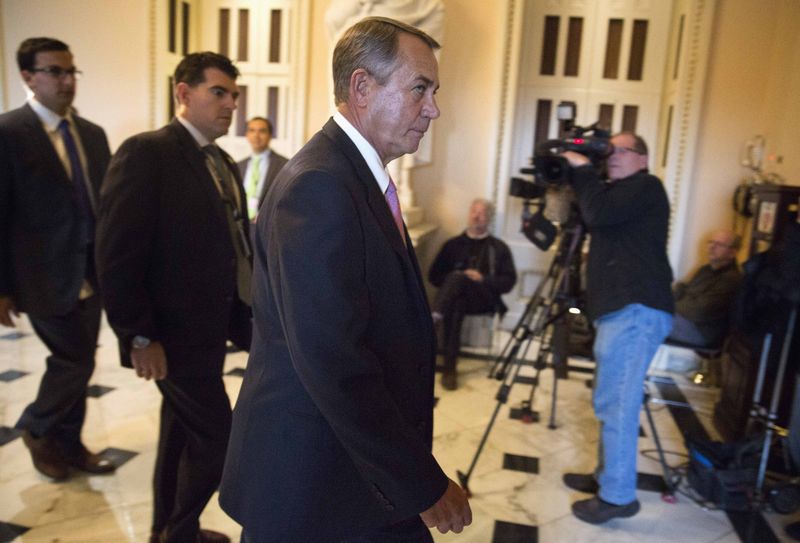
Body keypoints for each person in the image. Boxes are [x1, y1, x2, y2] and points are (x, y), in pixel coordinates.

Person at [219, 16, 472, 542]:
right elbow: (335, 362)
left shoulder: (352, 177)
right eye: (419, 89)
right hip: (312, 479)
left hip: (348, 471)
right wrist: (422, 485)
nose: (433, 108)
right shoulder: (320, 186)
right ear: (362, 87)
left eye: (434, 91)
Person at [95, 52, 252, 543]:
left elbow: (231, 245)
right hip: (171, 334)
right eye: (218, 93)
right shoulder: (147, 152)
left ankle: (166, 529)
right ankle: (178, 531)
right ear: (184, 93)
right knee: (219, 437)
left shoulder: (223, 161)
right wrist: (139, 333)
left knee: (180, 433)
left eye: (234, 95)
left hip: (210, 330)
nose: (230, 105)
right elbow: (116, 253)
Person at [0, 37, 115, 481]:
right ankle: (36, 427)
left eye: (71, 71)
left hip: (92, 268)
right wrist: (3, 287)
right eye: (55, 72)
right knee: (74, 360)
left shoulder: (91, 133)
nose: (67, 81)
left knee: (82, 355)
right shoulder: (9, 132)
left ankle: (69, 445)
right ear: (28, 77)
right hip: (41, 274)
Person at [560, 132, 674, 524]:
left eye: (621, 151)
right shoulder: (619, 192)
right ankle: (606, 477)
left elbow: (598, 215)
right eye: (609, 151)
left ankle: (618, 495)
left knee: (618, 405)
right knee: (610, 399)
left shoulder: (646, 186)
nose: (612, 156)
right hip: (625, 311)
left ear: (643, 158)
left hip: (636, 310)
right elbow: (595, 212)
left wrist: (582, 171)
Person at [428, 198, 516, 390]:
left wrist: (482, 278)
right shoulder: (452, 245)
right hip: (455, 301)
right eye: (474, 211)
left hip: (483, 299)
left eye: (482, 213)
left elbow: (508, 282)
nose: (476, 216)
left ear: (489, 218)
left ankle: (434, 317)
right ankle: (449, 370)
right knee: (456, 299)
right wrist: (456, 279)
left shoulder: (498, 248)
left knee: (458, 280)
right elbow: (433, 276)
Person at [668, 229, 742, 348]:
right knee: (646, 314)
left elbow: (699, 312)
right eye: (711, 242)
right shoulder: (705, 270)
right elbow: (681, 290)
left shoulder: (731, 280)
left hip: (701, 333)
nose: (712, 247)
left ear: (732, 253)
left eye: (719, 245)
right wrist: (682, 297)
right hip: (684, 321)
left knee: (651, 321)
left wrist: (671, 304)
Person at [236, 116, 288, 222]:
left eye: (262, 131)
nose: (256, 136)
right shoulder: (238, 165)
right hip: (243, 225)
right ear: (247, 135)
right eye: (252, 131)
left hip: (268, 225)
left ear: (270, 135)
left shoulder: (284, 165)